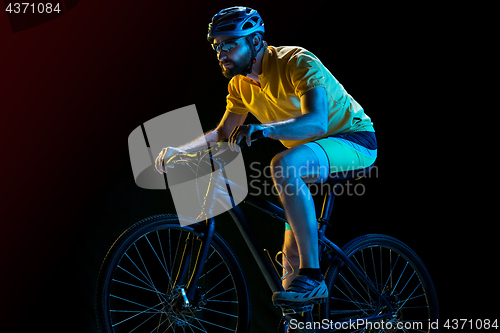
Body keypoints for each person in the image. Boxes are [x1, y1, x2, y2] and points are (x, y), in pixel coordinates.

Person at [155, 6, 377, 308]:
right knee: (289, 262)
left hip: (353, 139)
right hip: (310, 154)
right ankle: (302, 319)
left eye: (230, 44)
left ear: (256, 41)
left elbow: (318, 122)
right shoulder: (240, 85)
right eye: (217, 46)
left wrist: (263, 128)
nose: (221, 53)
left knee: (283, 165)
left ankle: (314, 276)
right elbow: (222, 133)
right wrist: (181, 150)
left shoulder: (296, 61)